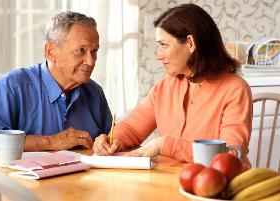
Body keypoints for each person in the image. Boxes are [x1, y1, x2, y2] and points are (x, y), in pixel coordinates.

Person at [93, 4, 252, 166]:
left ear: (190, 43)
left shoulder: (236, 89)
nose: (158, 56)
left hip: (220, 184)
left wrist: (165, 145)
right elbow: (133, 129)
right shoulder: (164, 86)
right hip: (172, 180)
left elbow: (231, 154)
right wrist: (111, 140)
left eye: (164, 45)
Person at [0, 11, 112, 154]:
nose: (91, 61)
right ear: (50, 51)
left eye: (94, 51)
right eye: (80, 51)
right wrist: (50, 141)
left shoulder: (94, 92)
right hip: (23, 177)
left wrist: (108, 141)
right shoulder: (13, 86)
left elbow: (113, 138)